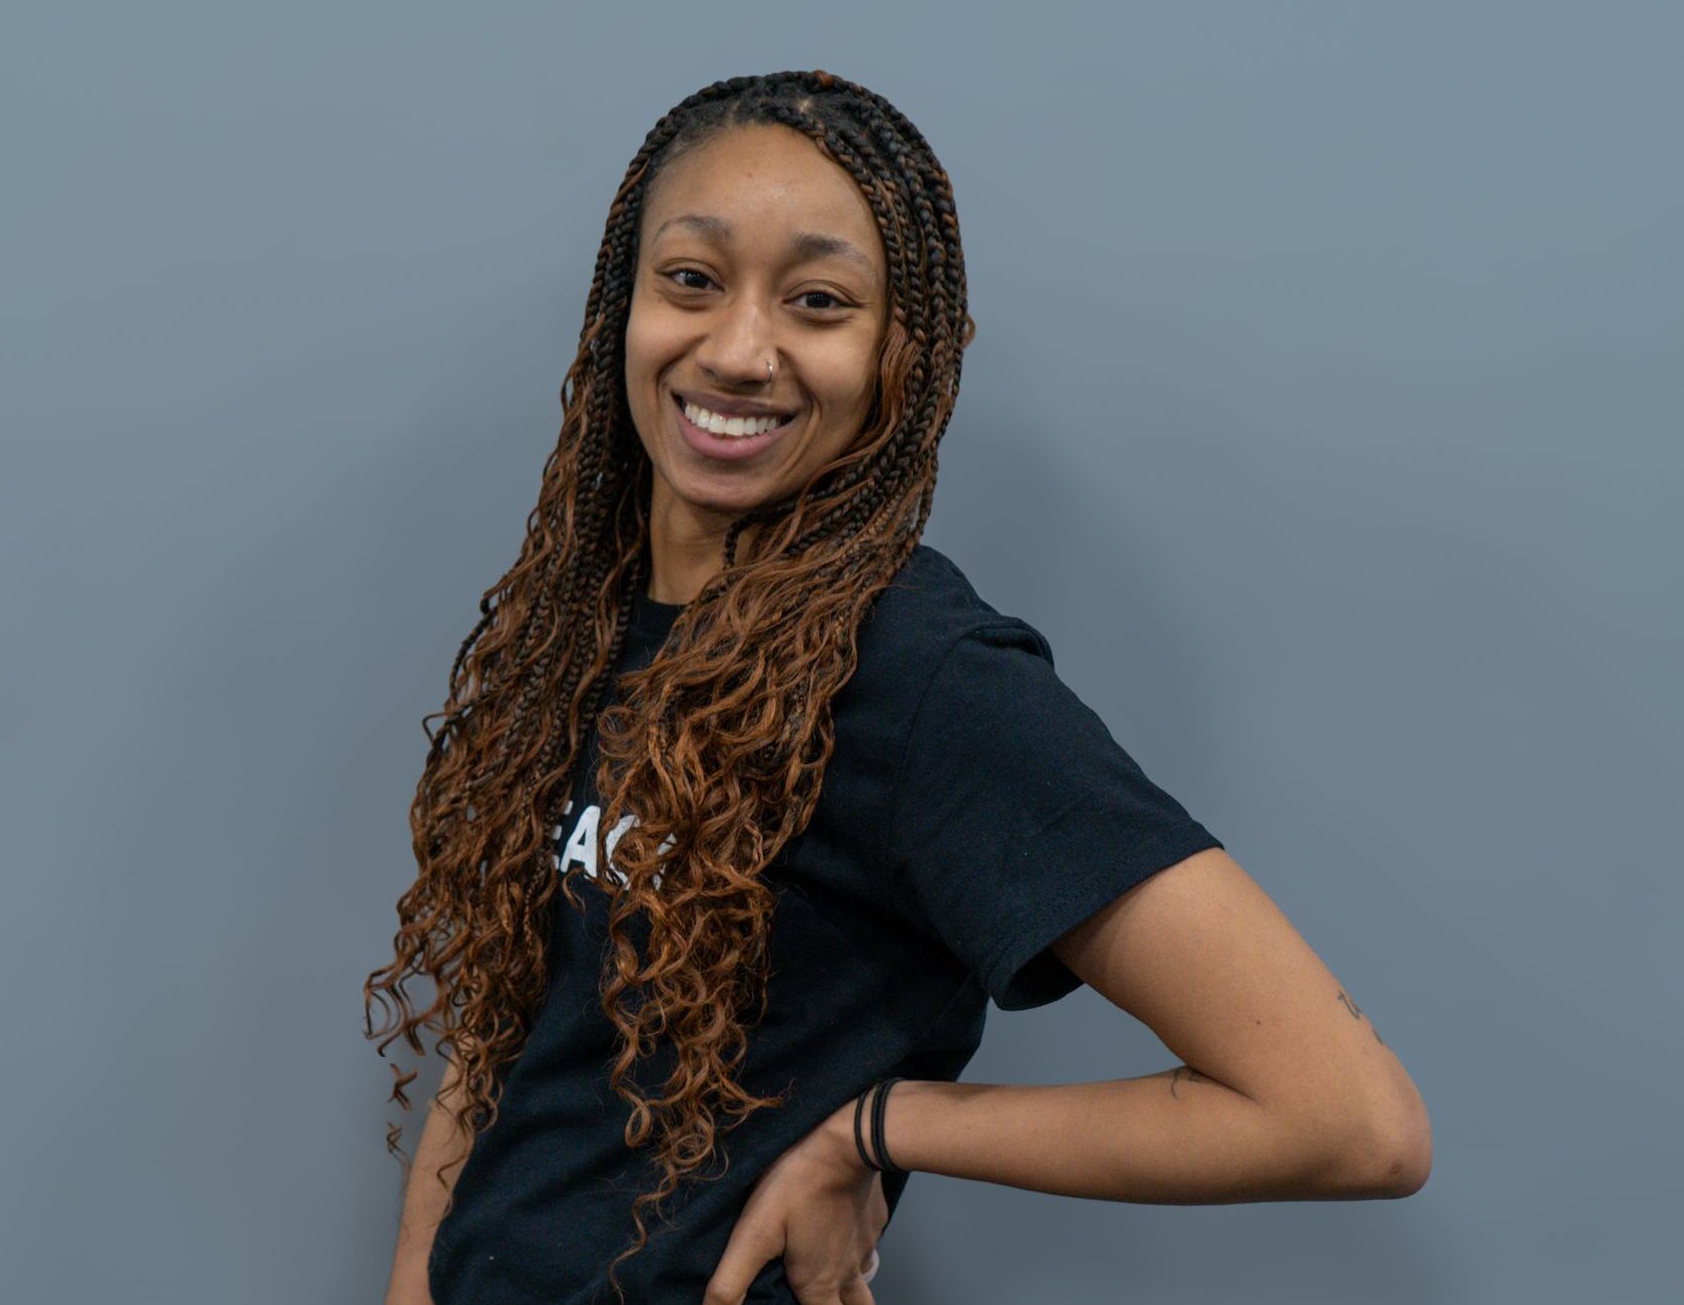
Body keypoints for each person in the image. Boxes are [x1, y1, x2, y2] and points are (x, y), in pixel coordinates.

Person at [365, 69, 1431, 1305]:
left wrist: (882, 1128)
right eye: (693, 281)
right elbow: (511, 1021)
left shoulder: (922, 679)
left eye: (817, 302)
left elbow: (1351, 1118)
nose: (740, 349)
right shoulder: (582, 619)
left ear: (897, 358)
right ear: (625, 306)